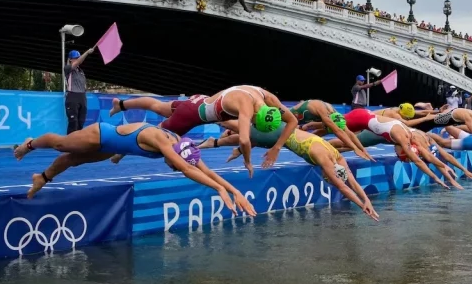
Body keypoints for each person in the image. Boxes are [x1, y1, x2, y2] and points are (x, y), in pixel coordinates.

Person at [12, 123, 256, 217]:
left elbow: (203, 170)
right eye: (173, 166)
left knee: (73, 160)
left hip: (114, 146)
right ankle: (30, 144)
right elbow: (186, 170)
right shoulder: (165, 143)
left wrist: (234, 191)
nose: (171, 168)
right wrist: (218, 190)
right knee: (61, 144)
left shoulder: (183, 145)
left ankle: (42, 178)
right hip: (102, 133)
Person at [203, 121, 380, 221]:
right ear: (329, 173)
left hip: (283, 134)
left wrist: (366, 201)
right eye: (328, 179)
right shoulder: (324, 159)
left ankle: (219, 142)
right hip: (280, 135)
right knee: (242, 130)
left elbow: (352, 183)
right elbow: (343, 187)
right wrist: (361, 205)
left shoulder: (338, 159)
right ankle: (208, 114)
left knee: (252, 138)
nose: (327, 179)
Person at [108, 85, 297, 175]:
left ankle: (121, 104)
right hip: (191, 116)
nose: (252, 125)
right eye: (254, 124)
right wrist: (247, 162)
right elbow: (245, 140)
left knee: (159, 106)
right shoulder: (246, 108)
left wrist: (277, 148)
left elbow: (293, 121)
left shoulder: (267, 98)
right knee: (156, 138)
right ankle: (120, 152)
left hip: (198, 100)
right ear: (256, 117)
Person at [288, 99, 373, 161]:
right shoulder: (323, 112)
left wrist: (362, 149)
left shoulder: (336, 115)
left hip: (310, 117)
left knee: (315, 132)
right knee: (303, 129)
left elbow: (348, 133)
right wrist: (355, 148)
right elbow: (337, 131)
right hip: (295, 114)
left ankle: (309, 139)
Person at [64, 48, 95, 133]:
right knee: (73, 122)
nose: (78, 59)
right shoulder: (68, 69)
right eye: (76, 58)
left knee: (81, 122)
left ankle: (78, 143)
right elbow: (78, 62)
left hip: (82, 97)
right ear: (70, 59)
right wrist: (87, 52)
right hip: (73, 96)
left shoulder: (81, 72)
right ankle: (69, 144)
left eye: (78, 57)